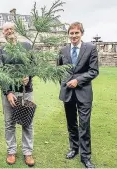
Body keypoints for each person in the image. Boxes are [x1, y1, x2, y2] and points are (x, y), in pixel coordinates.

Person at [57, 22, 99, 169]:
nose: (74, 36)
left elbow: (94, 71)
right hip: (67, 92)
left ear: (81, 33)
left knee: (84, 124)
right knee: (71, 124)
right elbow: (59, 70)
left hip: (84, 92)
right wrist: (64, 83)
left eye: (76, 33)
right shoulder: (62, 50)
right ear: (68, 34)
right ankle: (74, 149)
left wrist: (77, 80)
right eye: (71, 33)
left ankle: (85, 157)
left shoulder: (91, 49)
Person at [0, 22, 35, 167]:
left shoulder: (27, 46)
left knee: (27, 122)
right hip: (9, 93)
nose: (9, 31)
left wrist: (28, 76)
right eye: (6, 30)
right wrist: (8, 92)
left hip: (26, 91)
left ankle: (27, 152)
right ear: (3, 33)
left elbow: (34, 66)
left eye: (11, 28)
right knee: (9, 122)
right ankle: (11, 151)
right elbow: (0, 72)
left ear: (15, 30)